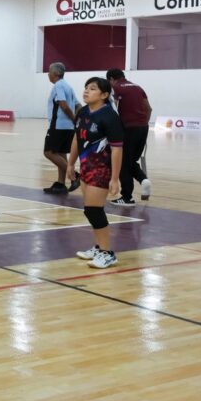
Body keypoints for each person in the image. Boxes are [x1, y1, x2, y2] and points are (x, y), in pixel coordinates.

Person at [70, 78, 124, 268]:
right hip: (86, 167)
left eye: (92, 89)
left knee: (93, 210)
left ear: (104, 95)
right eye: (86, 88)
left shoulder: (110, 116)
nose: (86, 91)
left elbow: (117, 149)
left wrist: (115, 179)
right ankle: (99, 247)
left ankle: (107, 253)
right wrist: (70, 164)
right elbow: (76, 138)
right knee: (90, 210)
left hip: (102, 168)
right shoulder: (83, 112)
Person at [105, 69, 152, 205]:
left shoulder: (115, 88)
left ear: (111, 79)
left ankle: (127, 197)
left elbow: (112, 110)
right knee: (129, 161)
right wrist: (143, 124)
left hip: (127, 128)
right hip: (143, 127)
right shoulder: (138, 87)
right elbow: (148, 109)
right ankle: (143, 180)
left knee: (122, 162)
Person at [42, 62, 79, 195]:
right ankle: (60, 184)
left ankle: (75, 175)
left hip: (58, 126)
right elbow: (78, 105)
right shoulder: (68, 86)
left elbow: (63, 105)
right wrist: (77, 120)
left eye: (49, 71)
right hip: (68, 127)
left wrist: (74, 118)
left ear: (56, 73)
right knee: (61, 153)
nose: (48, 74)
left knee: (49, 152)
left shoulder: (58, 86)